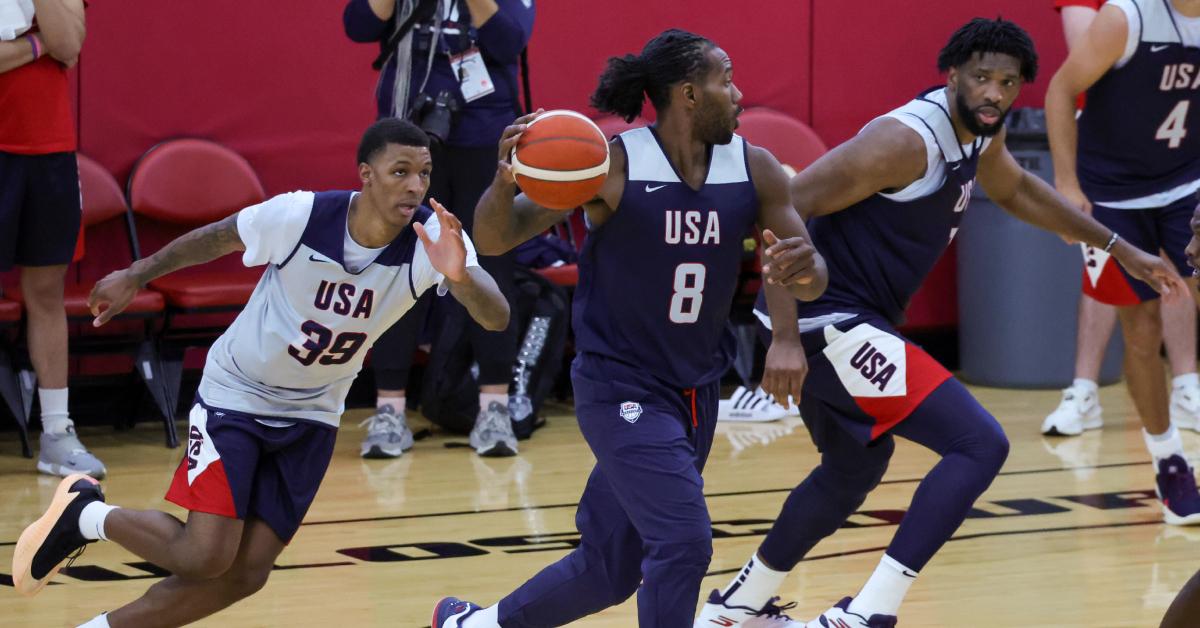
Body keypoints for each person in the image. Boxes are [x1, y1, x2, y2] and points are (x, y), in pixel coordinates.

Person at [695, 18, 1185, 628]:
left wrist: (1119, 246)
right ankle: (869, 612)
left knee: (852, 471)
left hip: (854, 319)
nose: (994, 93)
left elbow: (1018, 193)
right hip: (826, 318)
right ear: (952, 75)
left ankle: (738, 605)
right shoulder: (904, 140)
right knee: (980, 444)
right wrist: (787, 339)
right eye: (981, 77)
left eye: (1008, 83)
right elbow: (780, 208)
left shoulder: (981, 135)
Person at [10, 118, 510, 627]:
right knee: (203, 556)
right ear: (366, 173)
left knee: (247, 573)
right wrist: (136, 274)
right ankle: (87, 515)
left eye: (424, 174)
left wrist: (461, 276)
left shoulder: (433, 241)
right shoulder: (302, 215)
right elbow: (216, 238)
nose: (414, 186)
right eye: (400, 171)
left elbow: (496, 316)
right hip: (237, 395)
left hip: (314, 413)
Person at [432, 28, 828, 628]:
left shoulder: (756, 168)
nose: (740, 93)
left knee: (611, 566)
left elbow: (802, 270)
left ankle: (474, 626)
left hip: (695, 390)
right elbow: (494, 238)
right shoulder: (612, 162)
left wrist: (789, 331)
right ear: (689, 94)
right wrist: (504, 182)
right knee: (685, 544)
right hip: (621, 386)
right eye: (727, 80)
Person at [344, 0, 535, 458]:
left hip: (483, 135)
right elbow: (358, 24)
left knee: (489, 264)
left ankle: (494, 406)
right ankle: (390, 409)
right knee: (398, 265)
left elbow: (510, 41)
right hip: (408, 133)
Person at [1045, 0, 1200, 523]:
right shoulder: (1125, 18)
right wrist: (1067, 188)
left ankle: (1187, 392)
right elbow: (1061, 91)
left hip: (1186, 184)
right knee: (1141, 329)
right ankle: (1168, 459)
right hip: (1111, 194)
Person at [0, 0, 103, 478]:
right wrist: (37, 44)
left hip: (47, 147)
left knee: (46, 294)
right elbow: (53, 45)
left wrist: (37, 44)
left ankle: (57, 434)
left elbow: (68, 43)